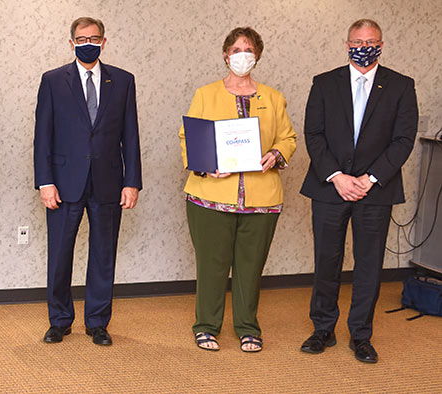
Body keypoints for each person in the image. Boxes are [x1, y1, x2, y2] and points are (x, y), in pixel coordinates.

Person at [299, 19, 417, 364]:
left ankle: (361, 336)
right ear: (347, 43)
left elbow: (403, 140)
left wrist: (370, 178)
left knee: (368, 264)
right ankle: (322, 329)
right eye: (357, 40)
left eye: (370, 40)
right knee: (327, 260)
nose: (363, 46)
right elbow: (313, 134)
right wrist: (337, 176)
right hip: (329, 187)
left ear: (381, 43)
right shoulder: (324, 83)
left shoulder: (401, 85)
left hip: (375, 191)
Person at [178, 27, 297, 353]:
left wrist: (276, 154)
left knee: (250, 267)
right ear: (225, 55)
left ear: (256, 55)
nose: (242, 55)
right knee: (211, 265)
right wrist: (204, 165)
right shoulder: (206, 94)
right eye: (236, 49)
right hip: (211, 195)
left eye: (248, 49)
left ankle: (248, 327)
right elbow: (190, 136)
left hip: (261, 198)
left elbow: (287, 138)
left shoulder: (273, 98)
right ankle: (206, 326)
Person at [33, 17, 141, 346]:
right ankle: (60, 320)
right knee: (60, 253)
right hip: (64, 182)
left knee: (103, 254)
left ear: (104, 42)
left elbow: (131, 136)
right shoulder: (53, 80)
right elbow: (43, 136)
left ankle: (97, 322)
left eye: (94, 38)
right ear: (71, 44)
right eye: (81, 39)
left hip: (109, 181)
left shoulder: (123, 81)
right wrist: (44, 182)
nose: (87, 43)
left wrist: (132, 181)